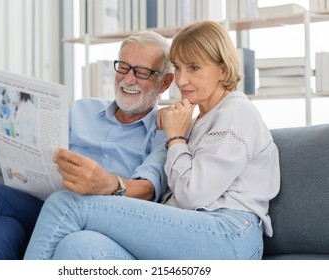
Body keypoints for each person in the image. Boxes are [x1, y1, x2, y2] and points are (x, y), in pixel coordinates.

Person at [23, 20, 280, 260]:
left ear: (223, 70)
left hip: (229, 234)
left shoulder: (236, 112)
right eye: (178, 67)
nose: (181, 79)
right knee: (79, 246)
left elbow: (193, 195)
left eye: (194, 68)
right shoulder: (198, 117)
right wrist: (178, 128)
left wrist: (176, 137)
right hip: (187, 230)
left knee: (67, 204)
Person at [0, 30, 174, 260]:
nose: (128, 79)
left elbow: (148, 188)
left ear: (164, 83)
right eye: (122, 67)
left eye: (142, 72)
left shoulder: (163, 129)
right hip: (47, 205)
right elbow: (47, 152)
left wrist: (109, 183)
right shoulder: (82, 110)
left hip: (96, 220)